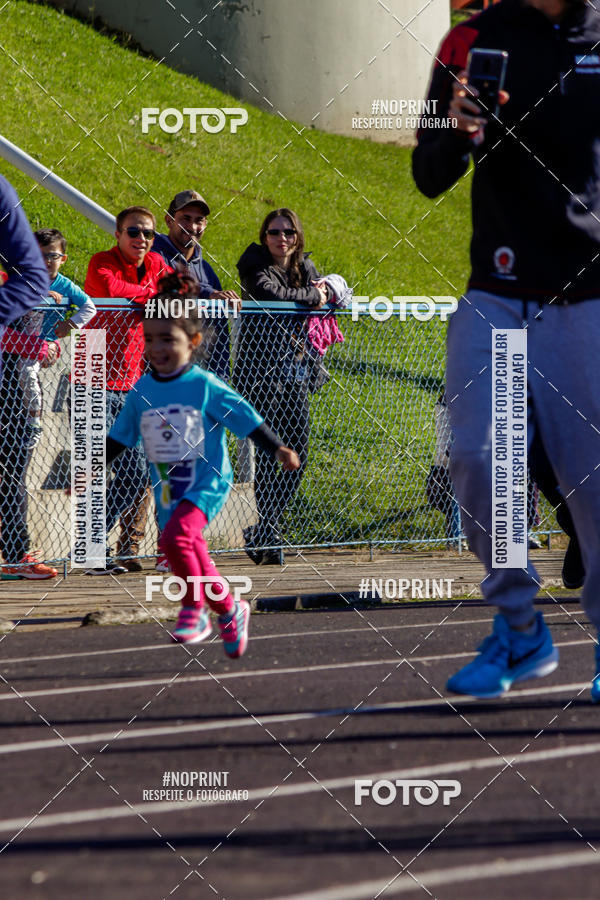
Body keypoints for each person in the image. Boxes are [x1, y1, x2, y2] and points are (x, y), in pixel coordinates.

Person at [412, 0, 600, 700]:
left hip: (591, 297)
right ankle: (520, 630)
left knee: (593, 483)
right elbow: (428, 173)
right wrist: (460, 131)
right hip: (496, 289)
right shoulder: (470, 39)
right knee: (474, 455)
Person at [106, 271, 300, 650]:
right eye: (149, 339)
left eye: (168, 339)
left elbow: (245, 418)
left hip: (206, 482)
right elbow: (120, 437)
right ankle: (230, 609)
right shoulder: (141, 391)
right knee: (189, 552)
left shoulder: (204, 385)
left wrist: (278, 448)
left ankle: (193, 610)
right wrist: (90, 468)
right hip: (168, 488)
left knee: (179, 538)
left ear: (193, 342)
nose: (157, 348)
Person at [234, 208, 331, 565]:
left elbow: (327, 292)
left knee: (299, 452)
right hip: (260, 373)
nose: (281, 238)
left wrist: (316, 292)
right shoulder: (254, 262)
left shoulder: (305, 265)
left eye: (288, 232)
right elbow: (269, 293)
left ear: (297, 235)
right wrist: (311, 295)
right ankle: (269, 533)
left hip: (296, 371)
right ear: (265, 236)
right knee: (270, 453)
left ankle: (266, 527)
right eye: (274, 232)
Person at [84, 206, 171, 573]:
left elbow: (176, 288)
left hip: (131, 383)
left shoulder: (154, 262)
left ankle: (90, 542)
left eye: (148, 234)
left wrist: (152, 292)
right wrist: (151, 294)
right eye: (133, 232)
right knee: (94, 468)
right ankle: (90, 551)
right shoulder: (101, 260)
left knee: (137, 474)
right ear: (118, 234)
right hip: (94, 378)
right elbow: (111, 288)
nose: (141, 239)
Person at [0, 174, 56, 577]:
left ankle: (17, 553)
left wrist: (56, 340)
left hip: (13, 387)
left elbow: (86, 306)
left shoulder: (26, 280)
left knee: (13, 468)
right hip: (14, 373)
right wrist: (39, 348)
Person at [153, 189, 240, 381]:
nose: (192, 226)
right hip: (159, 372)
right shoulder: (154, 256)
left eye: (199, 220)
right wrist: (209, 294)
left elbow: (219, 332)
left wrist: (221, 375)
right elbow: (166, 285)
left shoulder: (207, 270)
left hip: (199, 375)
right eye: (185, 218)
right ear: (169, 220)